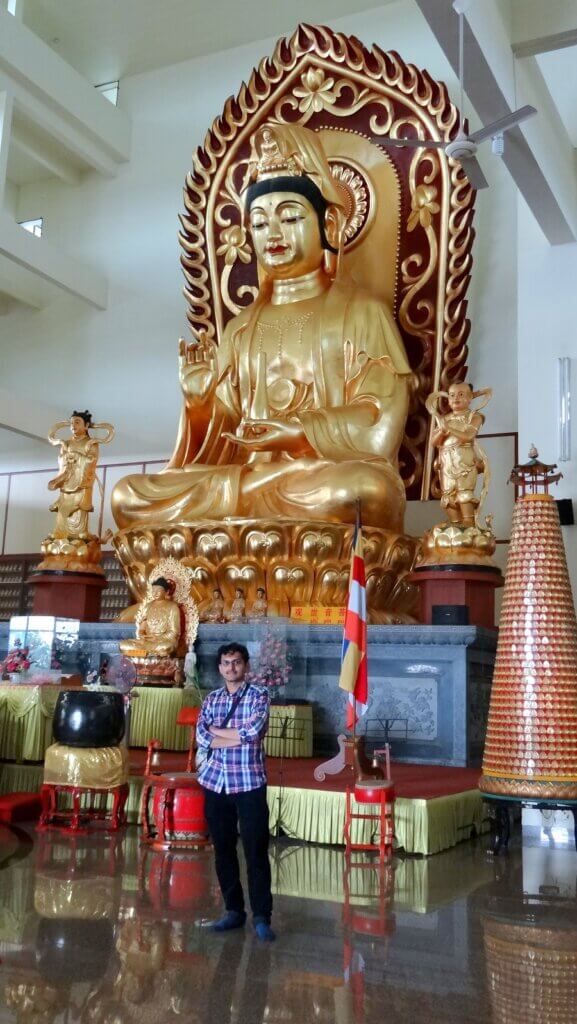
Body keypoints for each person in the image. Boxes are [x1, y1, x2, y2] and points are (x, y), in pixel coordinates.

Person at [112, 122, 412, 534]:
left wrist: (297, 432)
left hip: (317, 479)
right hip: (245, 481)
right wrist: (201, 407)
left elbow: (380, 418)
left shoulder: (361, 312)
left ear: (327, 226)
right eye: (258, 222)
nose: (272, 233)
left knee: (364, 490)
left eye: (289, 217)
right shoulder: (240, 328)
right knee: (129, 494)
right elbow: (222, 441)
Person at [196, 642, 274, 941]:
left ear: (246, 665)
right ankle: (233, 910)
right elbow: (201, 735)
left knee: (255, 850)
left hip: (249, 782)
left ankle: (262, 916)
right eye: (226, 663)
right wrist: (233, 737)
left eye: (237, 662)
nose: (231, 668)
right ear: (219, 668)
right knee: (223, 848)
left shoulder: (259, 696)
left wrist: (219, 733)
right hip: (216, 781)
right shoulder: (212, 699)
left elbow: (253, 734)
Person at [427, 381, 492, 527]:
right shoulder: (445, 418)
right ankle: (455, 526)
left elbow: (468, 436)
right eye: (451, 395)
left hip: (464, 460)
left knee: (464, 494)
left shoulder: (474, 417)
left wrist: (448, 429)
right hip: (446, 461)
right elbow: (433, 442)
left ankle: (469, 525)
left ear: (470, 398)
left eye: (461, 395)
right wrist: (442, 431)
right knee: (448, 496)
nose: (455, 398)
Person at [119, 576, 182, 659]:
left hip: (161, 642)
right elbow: (142, 628)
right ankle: (150, 654)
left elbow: (174, 632)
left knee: (166, 647)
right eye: (153, 590)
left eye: (158, 590)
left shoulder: (172, 607)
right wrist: (142, 635)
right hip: (146, 642)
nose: (155, 593)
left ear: (166, 592)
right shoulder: (148, 606)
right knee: (123, 645)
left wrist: (157, 638)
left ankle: (142, 654)